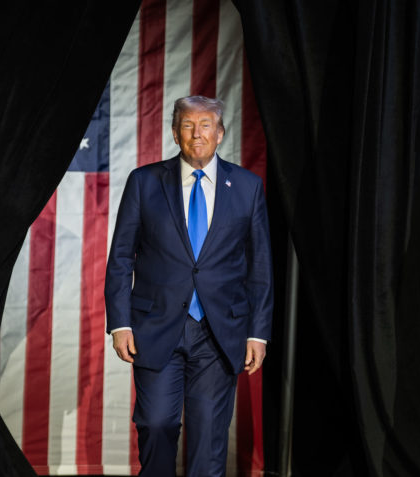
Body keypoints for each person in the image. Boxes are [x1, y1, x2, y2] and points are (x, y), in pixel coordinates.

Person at [105, 95, 274, 476]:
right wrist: (120, 324)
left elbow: (260, 266)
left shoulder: (246, 186)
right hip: (156, 327)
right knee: (157, 424)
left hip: (220, 332)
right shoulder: (145, 182)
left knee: (208, 438)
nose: (197, 134)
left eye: (205, 126)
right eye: (188, 125)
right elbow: (121, 257)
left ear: (220, 133)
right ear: (174, 133)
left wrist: (257, 333)